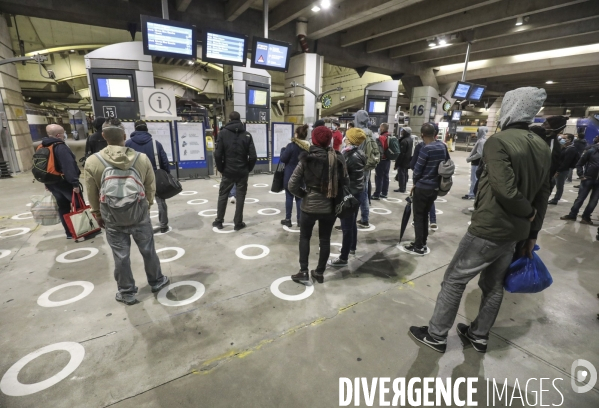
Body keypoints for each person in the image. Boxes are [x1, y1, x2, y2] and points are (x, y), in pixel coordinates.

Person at [409, 87, 551, 353]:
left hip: (489, 227)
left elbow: (505, 190)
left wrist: (527, 212)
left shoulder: (499, 141)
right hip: (515, 234)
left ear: (511, 107)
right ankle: (479, 335)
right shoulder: (542, 146)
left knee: (454, 280)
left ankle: (437, 335)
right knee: (494, 285)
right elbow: (543, 194)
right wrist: (532, 232)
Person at [83, 118, 169, 305]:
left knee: (121, 256)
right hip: (139, 213)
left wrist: (97, 214)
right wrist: (147, 205)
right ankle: (156, 281)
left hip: (112, 218)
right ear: (124, 136)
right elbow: (150, 186)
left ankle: (127, 292)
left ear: (104, 136)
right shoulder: (141, 159)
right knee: (148, 250)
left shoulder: (93, 161)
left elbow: (91, 192)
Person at [288, 126, 346, 285]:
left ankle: (303, 271)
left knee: (305, 237)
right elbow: (344, 182)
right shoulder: (338, 158)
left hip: (309, 207)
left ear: (313, 140)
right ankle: (319, 272)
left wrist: (304, 195)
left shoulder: (306, 159)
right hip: (330, 206)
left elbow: (292, 185)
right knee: (325, 239)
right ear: (329, 140)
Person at [404, 123, 448, 255]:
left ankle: (418, 246)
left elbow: (417, 170)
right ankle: (422, 242)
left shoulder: (425, 149)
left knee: (418, 217)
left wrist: (415, 182)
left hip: (422, 187)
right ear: (434, 133)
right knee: (425, 215)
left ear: (422, 134)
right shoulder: (442, 146)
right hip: (435, 187)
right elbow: (447, 164)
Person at [213, 111, 257, 231]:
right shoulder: (247, 135)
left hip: (228, 170)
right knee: (241, 195)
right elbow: (253, 156)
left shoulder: (223, 133)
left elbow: (217, 154)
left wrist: (221, 168)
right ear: (240, 119)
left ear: (229, 119)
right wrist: (248, 168)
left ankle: (219, 221)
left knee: (223, 194)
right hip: (242, 171)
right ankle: (238, 223)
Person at [329, 127, 367, 267]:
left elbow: (339, 175)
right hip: (358, 192)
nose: (344, 138)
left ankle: (343, 258)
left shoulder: (348, 156)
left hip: (349, 194)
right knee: (351, 223)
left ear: (350, 140)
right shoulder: (360, 153)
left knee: (346, 226)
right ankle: (352, 248)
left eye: (346, 136)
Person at [125, 120, 171, 233]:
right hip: (155, 177)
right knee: (161, 202)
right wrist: (166, 175)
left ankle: (145, 225)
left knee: (140, 202)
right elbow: (164, 162)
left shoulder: (128, 144)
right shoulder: (156, 143)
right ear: (147, 129)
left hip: (135, 178)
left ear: (135, 129)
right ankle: (163, 225)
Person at [41, 124, 82, 239]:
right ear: (58, 135)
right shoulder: (60, 147)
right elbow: (68, 166)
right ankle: (83, 229)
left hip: (51, 183)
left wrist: (46, 183)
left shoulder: (43, 146)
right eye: (63, 133)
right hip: (65, 183)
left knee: (63, 207)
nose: (65, 135)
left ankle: (69, 233)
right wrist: (75, 183)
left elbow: (43, 166)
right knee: (78, 206)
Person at [560, 135, 599, 225]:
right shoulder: (592, 151)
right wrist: (581, 175)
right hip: (588, 178)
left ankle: (586, 217)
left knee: (594, 200)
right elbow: (579, 163)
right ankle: (572, 215)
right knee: (580, 198)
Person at [280, 124, 310, 227]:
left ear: (296, 135)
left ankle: (288, 219)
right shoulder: (307, 148)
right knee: (299, 198)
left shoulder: (291, 146)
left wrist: (283, 150)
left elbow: (283, 159)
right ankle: (300, 220)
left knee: (289, 197)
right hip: (302, 177)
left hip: (289, 176)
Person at [355, 110, 380, 228]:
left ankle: (353, 219)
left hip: (357, 167)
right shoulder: (372, 134)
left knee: (355, 192)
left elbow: (354, 151)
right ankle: (364, 218)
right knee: (364, 192)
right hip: (367, 167)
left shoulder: (358, 133)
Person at [410, 139, 437, 231]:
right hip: (435, 181)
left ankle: (418, 243)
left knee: (418, 206)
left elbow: (413, 164)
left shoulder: (421, 146)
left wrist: (415, 180)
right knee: (430, 201)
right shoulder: (441, 146)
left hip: (421, 181)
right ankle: (433, 221)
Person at [548, 133, 578, 205]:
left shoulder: (571, 149)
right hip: (558, 169)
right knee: (551, 184)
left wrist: (558, 171)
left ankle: (556, 199)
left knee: (559, 186)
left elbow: (566, 162)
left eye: (564, 138)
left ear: (569, 140)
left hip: (562, 171)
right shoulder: (564, 147)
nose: (562, 140)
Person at [462, 127, 488, 200]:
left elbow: (479, 153)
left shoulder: (481, 141)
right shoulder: (481, 140)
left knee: (474, 179)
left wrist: (470, 158)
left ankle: (472, 193)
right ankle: (472, 193)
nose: (476, 133)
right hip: (476, 163)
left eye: (478, 131)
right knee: (474, 179)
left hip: (477, 163)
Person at [372, 123, 391, 200]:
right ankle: (384, 193)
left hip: (382, 160)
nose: (379, 129)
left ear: (382, 129)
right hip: (388, 159)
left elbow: (380, 149)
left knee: (378, 177)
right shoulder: (390, 136)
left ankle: (377, 194)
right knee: (386, 176)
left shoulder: (382, 137)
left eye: (380, 127)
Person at [394, 127, 413, 193]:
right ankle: (403, 187)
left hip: (403, 161)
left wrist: (397, 163)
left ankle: (402, 188)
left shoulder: (404, 141)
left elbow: (401, 153)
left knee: (401, 175)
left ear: (406, 132)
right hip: (407, 160)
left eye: (403, 131)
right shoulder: (410, 139)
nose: (401, 132)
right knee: (405, 174)